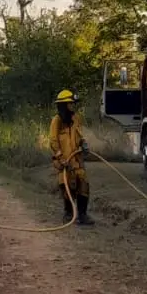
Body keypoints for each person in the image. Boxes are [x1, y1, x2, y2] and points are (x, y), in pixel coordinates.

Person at [49, 89, 93, 226]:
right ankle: (68, 213)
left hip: (77, 160)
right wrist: (61, 158)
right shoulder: (56, 121)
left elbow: (79, 136)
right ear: (63, 105)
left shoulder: (76, 119)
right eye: (70, 103)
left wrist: (83, 144)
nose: (73, 106)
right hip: (64, 162)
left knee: (84, 185)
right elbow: (53, 141)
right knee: (67, 187)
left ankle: (82, 215)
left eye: (73, 103)